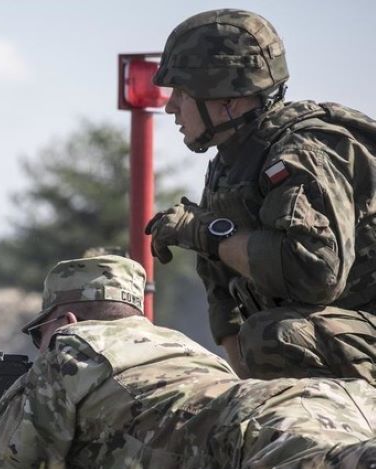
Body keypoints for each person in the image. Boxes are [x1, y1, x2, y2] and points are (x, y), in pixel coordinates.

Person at [0, 255, 376, 469]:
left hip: (253, 429)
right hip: (330, 396)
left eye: (39, 334)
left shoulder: (73, 344)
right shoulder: (179, 343)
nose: (40, 346)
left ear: (64, 321)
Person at [144, 9, 376, 383]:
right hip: (344, 338)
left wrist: (207, 232)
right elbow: (223, 290)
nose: (171, 106)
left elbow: (316, 274)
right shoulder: (232, 163)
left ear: (228, 101)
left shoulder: (303, 153)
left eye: (182, 92)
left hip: (360, 330)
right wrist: (249, 390)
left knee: (277, 336)